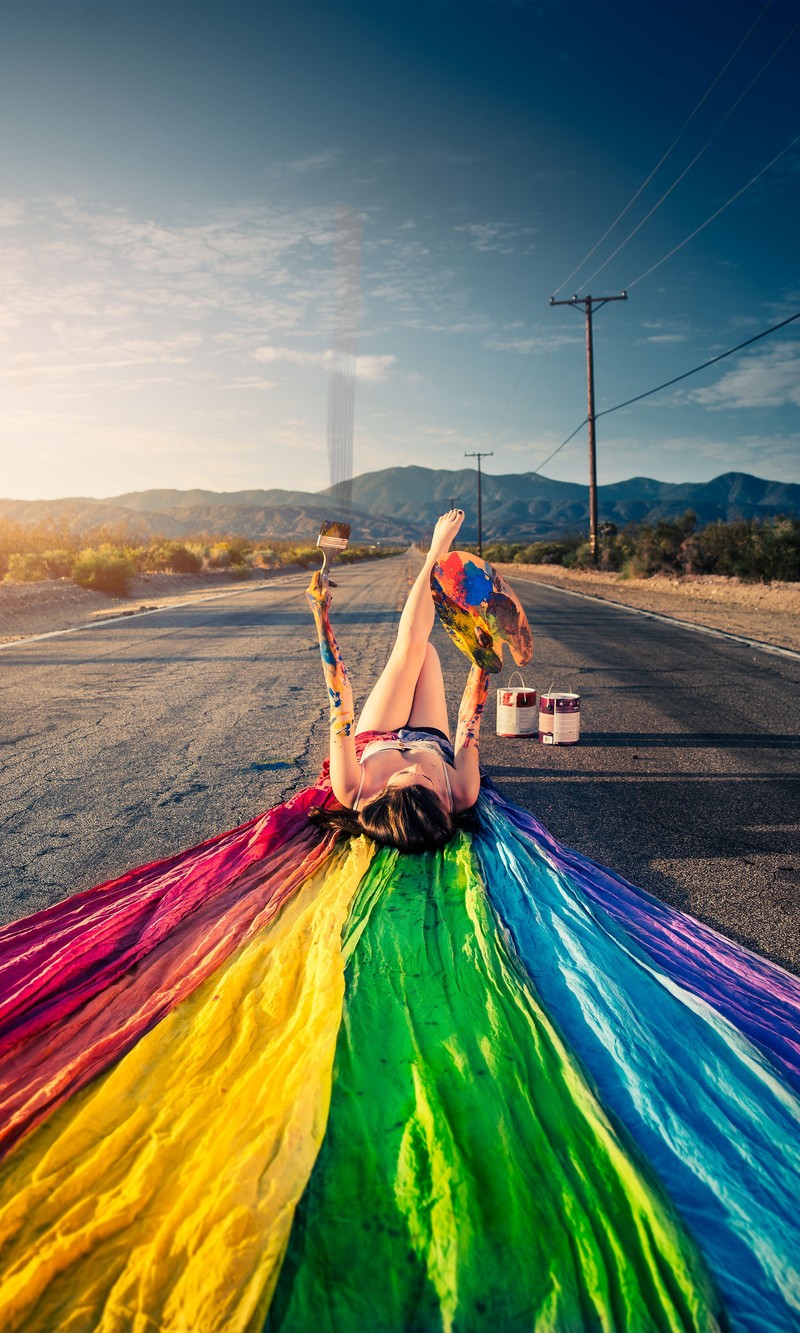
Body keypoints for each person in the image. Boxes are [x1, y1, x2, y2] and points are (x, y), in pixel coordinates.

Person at [305, 508, 488, 851]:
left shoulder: (352, 789)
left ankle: (436, 552)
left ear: (383, 797)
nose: (420, 773)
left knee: (412, 648)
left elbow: (340, 707)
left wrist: (321, 617)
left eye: (406, 779)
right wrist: (482, 662)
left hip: (377, 735)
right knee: (427, 652)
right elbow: (469, 724)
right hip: (432, 738)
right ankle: (434, 561)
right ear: (442, 806)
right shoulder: (460, 793)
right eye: (428, 783)